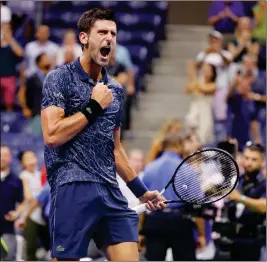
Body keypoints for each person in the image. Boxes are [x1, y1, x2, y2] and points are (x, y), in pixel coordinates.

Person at [40, 8, 166, 261]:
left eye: (113, 33)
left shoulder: (116, 90)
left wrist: (141, 191)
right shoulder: (58, 79)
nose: (109, 38)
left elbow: (116, 149)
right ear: (85, 38)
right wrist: (94, 106)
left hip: (110, 191)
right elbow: (52, 136)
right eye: (102, 32)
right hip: (72, 186)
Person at [141, 133, 206, 261]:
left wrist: (140, 232)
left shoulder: (150, 167)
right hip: (180, 224)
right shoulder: (187, 169)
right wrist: (202, 235)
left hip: (155, 223)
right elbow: (197, 205)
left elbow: (143, 203)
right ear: (179, 146)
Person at [227, 142, 266, 261]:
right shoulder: (237, 179)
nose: (249, 163)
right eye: (247, 158)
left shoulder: (263, 183)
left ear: (262, 161)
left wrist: (240, 198)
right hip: (232, 239)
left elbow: (264, 206)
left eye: (254, 159)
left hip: (254, 240)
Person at [19, 150, 49, 261]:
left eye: (32, 156)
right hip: (30, 215)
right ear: (23, 163)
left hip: (42, 214)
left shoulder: (39, 174)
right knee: (31, 247)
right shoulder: (24, 176)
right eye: (27, 158)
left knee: (48, 245)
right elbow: (28, 197)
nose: (31, 160)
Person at [0, 145, 24, 261]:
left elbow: (22, 202)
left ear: (10, 158)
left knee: (8, 258)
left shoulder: (16, 181)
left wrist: (17, 213)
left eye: (5, 155)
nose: (2, 158)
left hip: (7, 229)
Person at [185, 61, 217, 145]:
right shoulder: (198, 80)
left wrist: (192, 73)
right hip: (194, 111)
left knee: (203, 137)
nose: (205, 72)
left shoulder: (213, 85)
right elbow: (188, 89)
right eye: (204, 70)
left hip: (205, 114)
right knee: (191, 136)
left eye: (208, 70)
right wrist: (191, 75)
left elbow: (202, 88)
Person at [18, 53, 52, 118]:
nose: (48, 61)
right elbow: (21, 93)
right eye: (45, 59)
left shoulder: (52, 77)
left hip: (50, 115)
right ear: (38, 63)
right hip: (36, 114)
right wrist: (25, 108)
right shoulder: (32, 78)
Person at [0, 22, 24, 111]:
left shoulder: (13, 44)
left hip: (9, 77)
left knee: (9, 103)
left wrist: (10, 40)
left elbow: (20, 53)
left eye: (7, 30)